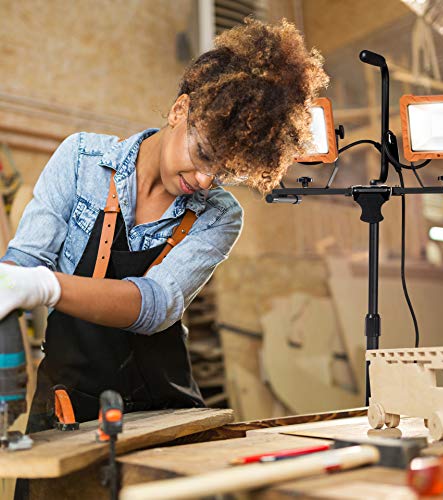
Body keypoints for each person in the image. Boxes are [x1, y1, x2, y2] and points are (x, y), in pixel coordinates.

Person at [0, 17, 328, 433]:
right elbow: (22, 264)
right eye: (204, 153)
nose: (206, 180)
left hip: (164, 412)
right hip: (67, 406)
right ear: (179, 110)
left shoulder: (219, 214)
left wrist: (46, 286)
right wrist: (14, 282)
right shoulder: (81, 161)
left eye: (225, 172)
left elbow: (154, 306)